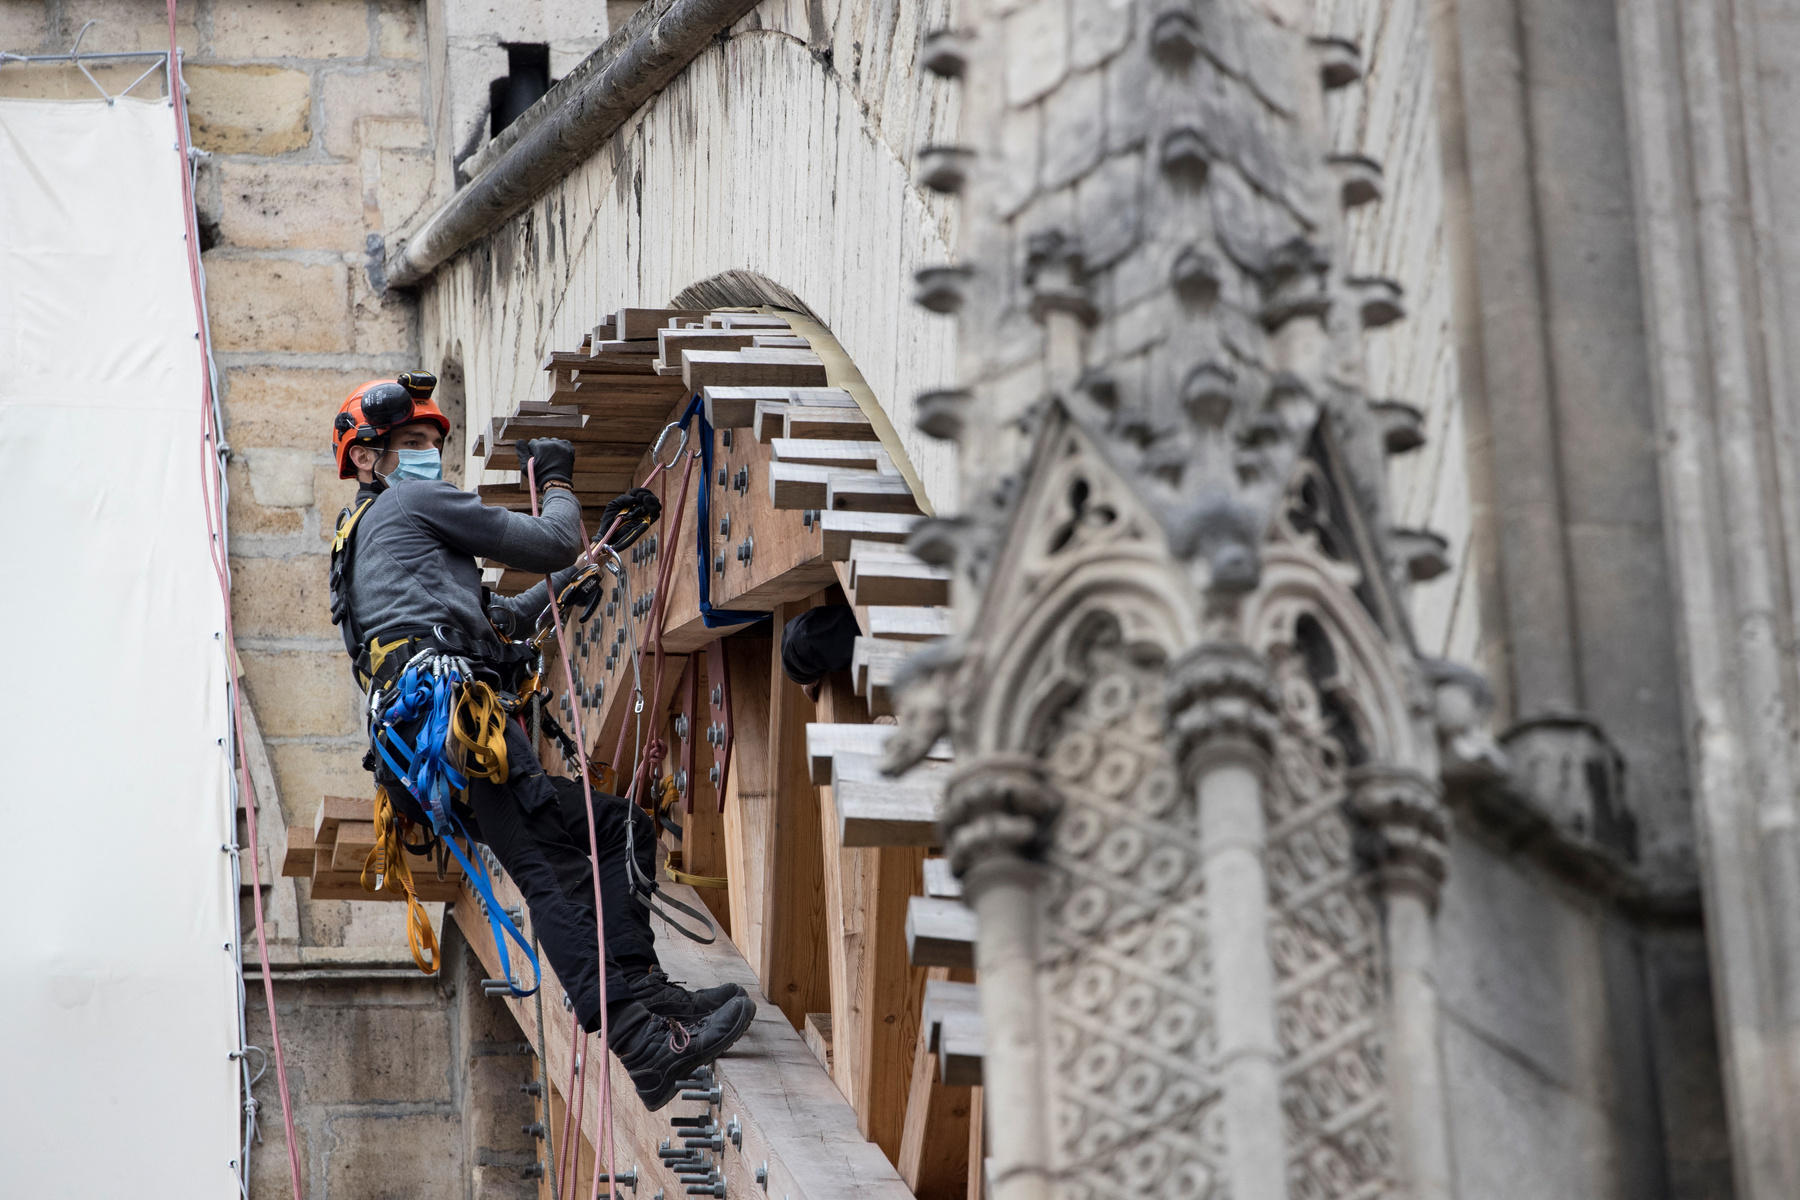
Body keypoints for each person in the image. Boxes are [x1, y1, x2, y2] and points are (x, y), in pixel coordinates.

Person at [326, 375, 754, 1109]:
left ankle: (647, 994)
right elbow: (554, 537)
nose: (430, 458)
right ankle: (641, 1045)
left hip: (430, 744)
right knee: (544, 870)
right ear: (370, 460)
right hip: (456, 725)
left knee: (614, 825)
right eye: (412, 445)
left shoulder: (374, 543)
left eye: (432, 445)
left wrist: (575, 579)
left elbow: (490, 624)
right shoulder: (411, 502)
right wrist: (557, 477)